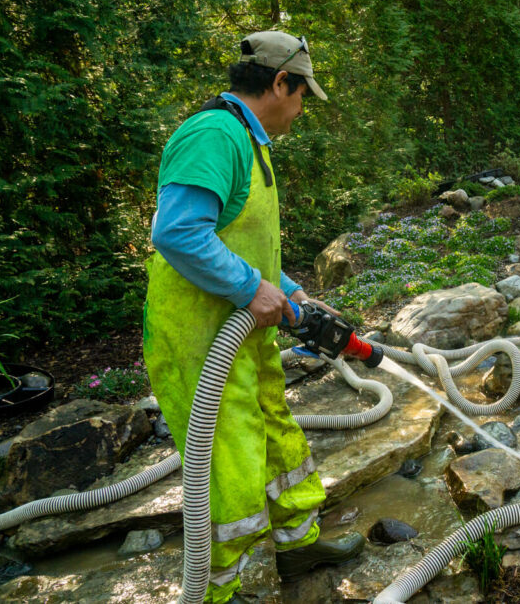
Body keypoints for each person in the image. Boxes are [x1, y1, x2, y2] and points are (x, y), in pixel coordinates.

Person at [143, 31, 364, 604]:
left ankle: (298, 544)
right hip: (199, 338)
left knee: (275, 433)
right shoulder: (214, 134)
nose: (301, 108)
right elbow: (177, 231)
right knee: (228, 463)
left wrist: (295, 294)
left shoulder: (249, 140)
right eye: (301, 95)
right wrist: (249, 288)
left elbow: (245, 246)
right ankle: (215, 592)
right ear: (278, 83)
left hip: (244, 333)